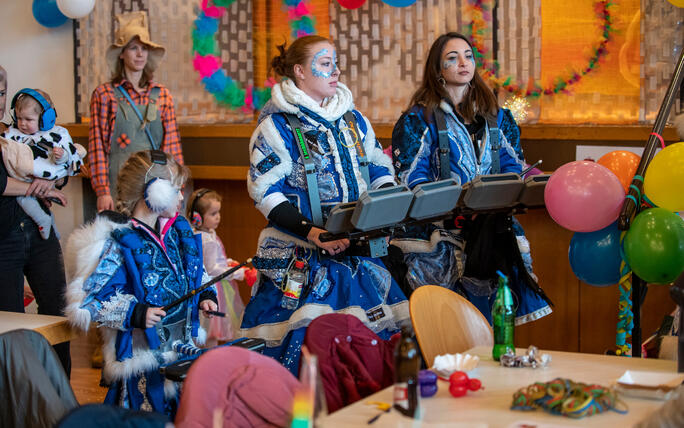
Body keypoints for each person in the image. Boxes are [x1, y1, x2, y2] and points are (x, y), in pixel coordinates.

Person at [241, 35, 409, 374]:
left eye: (335, 62)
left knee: (375, 342)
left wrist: (387, 202)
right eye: (325, 63)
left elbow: (377, 165)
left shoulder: (353, 119)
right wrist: (312, 232)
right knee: (311, 348)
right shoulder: (276, 127)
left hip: (359, 250)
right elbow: (265, 191)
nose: (336, 70)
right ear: (300, 71)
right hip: (304, 256)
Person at [391, 32, 552, 325]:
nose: (463, 63)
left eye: (468, 56)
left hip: (491, 234)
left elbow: (512, 168)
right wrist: (457, 200)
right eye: (452, 58)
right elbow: (410, 180)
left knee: (490, 323)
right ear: (438, 70)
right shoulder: (418, 119)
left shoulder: (497, 117)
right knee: (446, 327)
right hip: (438, 238)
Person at [64, 150, 217, 416]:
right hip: (143, 360)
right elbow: (89, 301)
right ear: (154, 192)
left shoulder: (178, 233)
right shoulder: (117, 242)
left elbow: (195, 273)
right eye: (176, 189)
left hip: (180, 352)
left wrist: (206, 294)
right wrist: (135, 312)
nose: (182, 197)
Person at [0, 65, 72, 376]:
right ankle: (18, 398)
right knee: (11, 322)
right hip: (3, 237)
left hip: (39, 234)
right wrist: (35, 186)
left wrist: (54, 179)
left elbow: (57, 170)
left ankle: (60, 393)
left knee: (58, 312)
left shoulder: (16, 131)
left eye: (2, 92)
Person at [88, 11, 182, 215]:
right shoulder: (104, 95)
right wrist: (103, 191)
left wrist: (175, 186)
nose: (140, 54)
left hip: (155, 183)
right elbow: (97, 148)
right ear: (121, 53)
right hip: (119, 184)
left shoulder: (162, 95)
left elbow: (171, 148)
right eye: (133, 48)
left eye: (144, 48)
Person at [2, 88, 86, 239]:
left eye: (28, 120)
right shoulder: (12, 133)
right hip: (22, 186)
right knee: (25, 201)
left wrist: (58, 163)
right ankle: (45, 220)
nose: (22, 124)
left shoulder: (55, 135)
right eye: (19, 118)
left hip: (45, 178)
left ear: (45, 119)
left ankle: (49, 223)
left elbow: (67, 161)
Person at [186, 188, 246, 343]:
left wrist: (227, 262)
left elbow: (215, 260)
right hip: (214, 287)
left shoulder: (209, 233)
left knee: (211, 330)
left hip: (218, 283)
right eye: (213, 214)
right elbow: (212, 269)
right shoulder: (206, 239)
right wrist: (238, 272)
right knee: (210, 330)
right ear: (196, 217)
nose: (218, 217)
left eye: (218, 212)